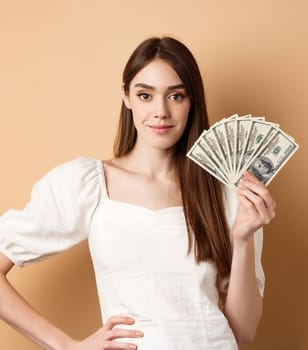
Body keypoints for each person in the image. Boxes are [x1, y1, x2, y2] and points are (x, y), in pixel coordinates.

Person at [0, 37, 274, 349]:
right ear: (126, 96)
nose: (161, 111)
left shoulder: (225, 194)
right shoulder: (89, 183)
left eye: (176, 96)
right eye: (145, 95)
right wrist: (65, 345)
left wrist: (243, 238)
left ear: (192, 101)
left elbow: (243, 332)